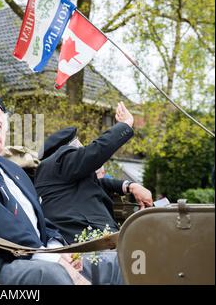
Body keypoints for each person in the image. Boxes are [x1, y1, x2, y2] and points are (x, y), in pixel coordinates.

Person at [0, 89, 123, 285]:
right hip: (5, 262)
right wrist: (49, 256)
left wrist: (60, 248)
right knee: (52, 275)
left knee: (118, 262)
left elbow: (41, 222)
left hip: (44, 255)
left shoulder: (14, 170)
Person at [34, 102, 153, 244]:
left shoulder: (62, 178)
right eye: (77, 147)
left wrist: (130, 186)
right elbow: (95, 152)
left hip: (97, 241)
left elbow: (97, 184)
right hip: (88, 243)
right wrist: (125, 125)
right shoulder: (59, 161)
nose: (82, 148)